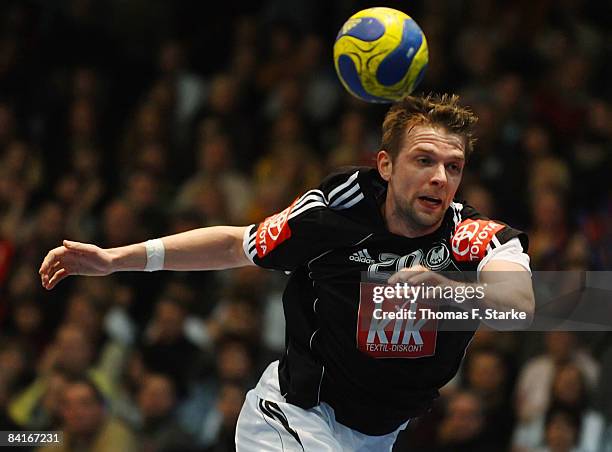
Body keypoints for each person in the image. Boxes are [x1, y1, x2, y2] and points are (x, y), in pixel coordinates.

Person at [39, 94, 535, 451]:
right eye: (424, 160)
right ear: (385, 165)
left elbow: (519, 303)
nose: (440, 178)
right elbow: (238, 243)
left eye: (454, 166)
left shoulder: (472, 235)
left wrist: (448, 294)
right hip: (294, 417)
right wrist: (114, 259)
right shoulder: (332, 214)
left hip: (379, 438)